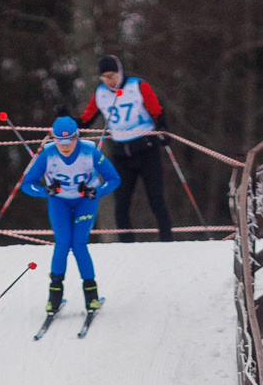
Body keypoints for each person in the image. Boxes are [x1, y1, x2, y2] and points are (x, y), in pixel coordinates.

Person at [19, 115, 120, 325]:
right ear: (53, 139)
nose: (64, 146)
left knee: (79, 244)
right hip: (59, 203)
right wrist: (45, 191)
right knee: (62, 244)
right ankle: (54, 298)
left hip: (85, 202)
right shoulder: (47, 154)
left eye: (69, 140)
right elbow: (26, 184)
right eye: (59, 141)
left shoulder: (89, 152)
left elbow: (114, 179)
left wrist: (96, 192)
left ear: (77, 136)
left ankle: (91, 297)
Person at [80, 55, 172, 242]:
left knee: (156, 199)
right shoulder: (100, 94)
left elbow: (157, 110)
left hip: (146, 149)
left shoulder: (137, 86)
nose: (109, 81)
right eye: (104, 77)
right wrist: (68, 121)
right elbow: (86, 120)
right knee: (121, 204)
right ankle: (127, 244)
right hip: (122, 154)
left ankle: (167, 240)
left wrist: (163, 129)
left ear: (120, 72)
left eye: (112, 75)